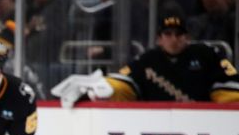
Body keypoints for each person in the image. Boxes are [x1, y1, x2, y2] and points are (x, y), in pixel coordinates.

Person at [52, 14, 239, 106]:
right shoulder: (148, 60)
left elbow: (229, 88)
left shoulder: (206, 54)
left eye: (179, 34)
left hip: (204, 128)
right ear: (159, 39)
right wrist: (100, 89)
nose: (173, 39)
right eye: (168, 34)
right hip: (155, 127)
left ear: (187, 37)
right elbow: (125, 83)